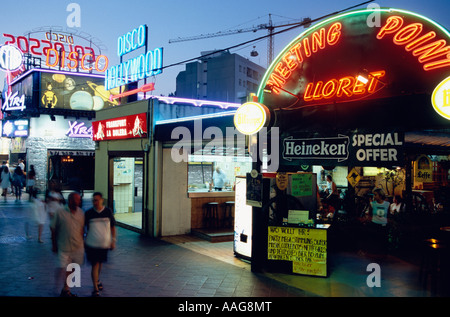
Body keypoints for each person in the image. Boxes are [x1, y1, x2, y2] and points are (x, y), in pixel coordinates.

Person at [50, 192, 85, 297]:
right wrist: (54, 244)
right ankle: (63, 288)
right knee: (62, 267)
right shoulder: (60, 212)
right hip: (63, 245)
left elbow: (82, 228)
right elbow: (53, 228)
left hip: (77, 246)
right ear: (70, 201)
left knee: (74, 267)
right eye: (76, 200)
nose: (79, 202)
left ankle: (65, 289)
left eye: (79, 200)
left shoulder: (81, 213)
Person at [84, 192, 116, 297]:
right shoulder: (88, 213)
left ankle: (97, 280)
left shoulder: (107, 212)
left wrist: (113, 240)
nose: (95, 202)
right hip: (92, 244)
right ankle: (95, 289)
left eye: (97, 200)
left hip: (104, 244)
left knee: (100, 263)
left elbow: (112, 227)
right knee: (95, 264)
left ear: (102, 200)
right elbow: (83, 228)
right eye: (93, 200)